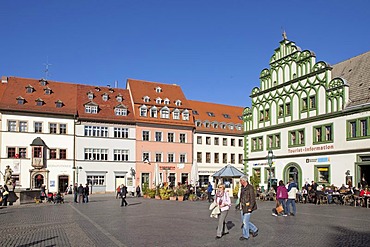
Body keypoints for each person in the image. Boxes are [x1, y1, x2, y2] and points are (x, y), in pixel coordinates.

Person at [238, 175, 258, 241]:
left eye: (241, 180)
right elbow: (241, 197)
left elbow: (252, 198)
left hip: (248, 207)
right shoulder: (242, 187)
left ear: (244, 181)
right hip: (242, 206)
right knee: (245, 221)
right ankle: (254, 229)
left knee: (245, 222)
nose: (240, 182)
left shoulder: (250, 188)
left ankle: (246, 235)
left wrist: (250, 207)